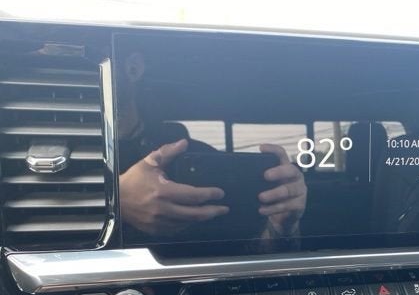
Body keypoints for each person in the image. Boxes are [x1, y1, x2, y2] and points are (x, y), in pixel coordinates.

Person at [116, 52, 307, 241]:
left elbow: (252, 251)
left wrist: (282, 227)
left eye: (98, 54)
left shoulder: (205, 159)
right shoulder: (92, 168)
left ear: (134, 67)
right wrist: (117, 202)